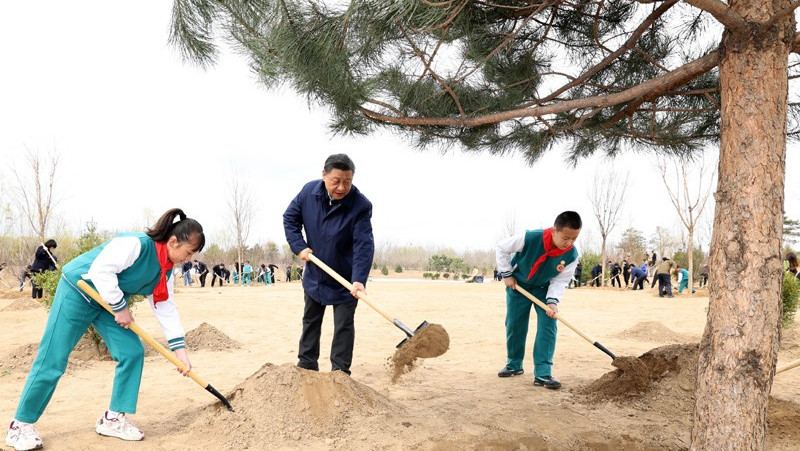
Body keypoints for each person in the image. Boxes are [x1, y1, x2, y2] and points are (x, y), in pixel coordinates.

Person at [5, 208, 204, 451]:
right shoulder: (137, 244)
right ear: (173, 241)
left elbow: (165, 308)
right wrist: (121, 308)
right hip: (78, 290)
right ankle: (20, 424)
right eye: (189, 252)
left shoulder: (166, 271)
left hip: (107, 304)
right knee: (53, 358)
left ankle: (113, 419)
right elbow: (101, 270)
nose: (189, 259)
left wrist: (180, 351)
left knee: (132, 352)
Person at [283, 153, 374, 375]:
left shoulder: (360, 205)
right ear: (324, 175)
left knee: (343, 325)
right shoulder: (308, 193)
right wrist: (299, 246)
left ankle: (340, 372)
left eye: (347, 181)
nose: (342, 187)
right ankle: (307, 364)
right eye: (336, 181)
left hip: (346, 279)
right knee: (311, 321)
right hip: (316, 273)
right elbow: (290, 219)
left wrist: (359, 279)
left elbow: (364, 244)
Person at [495, 211, 581, 390]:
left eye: (574, 238)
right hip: (518, 285)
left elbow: (561, 280)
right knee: (514, 325)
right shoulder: (531, 238)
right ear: (554, 231)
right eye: (566, 238)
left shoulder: (571, 255)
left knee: (549, 325)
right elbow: (502, 248)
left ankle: (543, 373)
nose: (570, 243)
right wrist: (507, 274)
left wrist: (552, 301)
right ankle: (514, 364)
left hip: (544, 288)